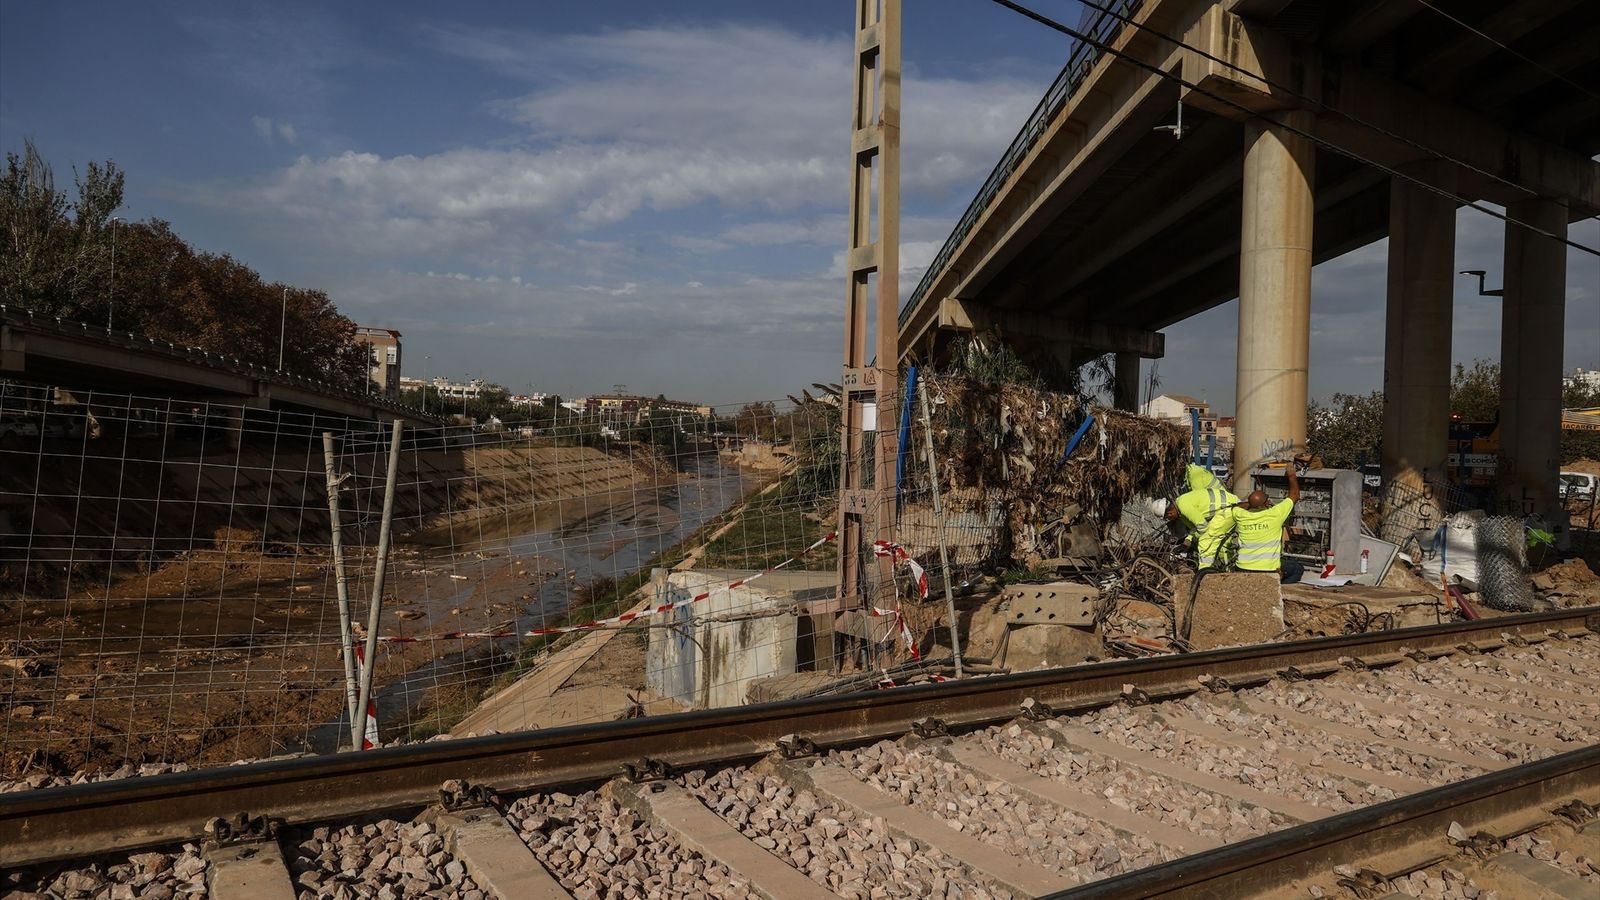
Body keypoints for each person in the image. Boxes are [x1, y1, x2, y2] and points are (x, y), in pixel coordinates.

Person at [1202, 459, 1303, 576]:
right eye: (1267, 499)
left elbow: (1236, 506)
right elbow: (1295, 495)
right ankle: (1278, 587)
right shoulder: (1276, 514)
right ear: (1266, 503)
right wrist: (1291, 474)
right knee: (1297, 568)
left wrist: (1253, 503)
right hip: (1268, 570)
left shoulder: (1240, 515)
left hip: (1242, 567)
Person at [1164, 463, 1238, 568]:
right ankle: (1225, 570)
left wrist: (1193, 539)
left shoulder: (1195, 476)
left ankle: (1204, 574)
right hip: (1224, 507)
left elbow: (1202, 526)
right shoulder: (1191, 475)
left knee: (1206, 541)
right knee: (1222, 543)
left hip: (1225, 508)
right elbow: (1198, 523)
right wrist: (1188, 540)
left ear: (1170, 512)